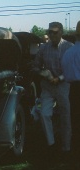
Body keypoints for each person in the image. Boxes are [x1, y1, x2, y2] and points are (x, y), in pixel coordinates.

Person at [32, 22, 73, 155]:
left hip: (63, 85)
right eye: (50, 32)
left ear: (61, 32)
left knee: (65, 115)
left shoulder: (69, 47)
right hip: (48, 86)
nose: (52, 35)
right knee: (44, 114)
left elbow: (72, 68)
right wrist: (43, 73)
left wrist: (59, 78)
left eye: (55, 32)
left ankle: (66, 147)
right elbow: (35, 66)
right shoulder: (43, 48)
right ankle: (51, 144)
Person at [61, 20, 80, 157]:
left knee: (75, 120)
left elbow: (66, 75)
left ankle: (75, 150)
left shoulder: (68, 52)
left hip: (73, 89)